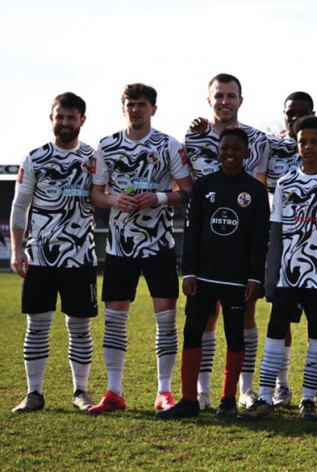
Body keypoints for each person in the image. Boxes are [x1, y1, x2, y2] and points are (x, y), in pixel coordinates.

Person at [89, 83, 193, 414]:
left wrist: (159, 197)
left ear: (153, 109)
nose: (136, 109)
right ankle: (114, 391)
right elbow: (96, 194)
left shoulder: (168, 145)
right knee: (115, 320)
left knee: (166, 319)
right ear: (123, 108)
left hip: (159, 245)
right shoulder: (106, 146)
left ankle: (164, 391)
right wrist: (114, 200)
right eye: (130, 104)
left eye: (142, 104)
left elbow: (188, 192)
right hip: (120, 248)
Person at [239, 116, 317, 421]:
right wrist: (270, 278)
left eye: (315, 141)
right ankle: (264, 396)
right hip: (288, 273)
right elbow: (275, 234)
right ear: (297, 146)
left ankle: (308, 398)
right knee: (276, 331)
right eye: (303, 141)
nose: (309, 146)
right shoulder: (285, 183)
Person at [156, 128, 269, 419]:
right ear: (217, 152)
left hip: (237, 278)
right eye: (224, 148)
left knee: (235, 336)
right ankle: (189, 400)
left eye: (236, 149)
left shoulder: (255, 191)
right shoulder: (204, 185)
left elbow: (260, 238)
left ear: (247, 153)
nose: (229, 153)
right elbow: (191, 233)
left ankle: (228, 400)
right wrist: (188, 271)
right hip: (203, 276)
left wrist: (255, 277)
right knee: (192, 332)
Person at [185, 73, 271, 411]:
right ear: (210, 100)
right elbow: (192, 221)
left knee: (242, 323)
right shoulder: (194, 137)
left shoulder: (259, 141)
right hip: (206, 261)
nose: (225, 101)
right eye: (218, 95)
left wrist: (255, 272)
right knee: (201, 325)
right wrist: (189, 267)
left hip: (239, 263)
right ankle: (200, 393)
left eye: (231, 95)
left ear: (240, 99)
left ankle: (241, 392)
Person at [10, 92, 98, 413]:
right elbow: (20, 206)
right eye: (59, 117)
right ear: (52, 119)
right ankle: (34, 393)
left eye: (70, 117)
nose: (64, 123)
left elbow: (104, 197)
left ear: (81, 121)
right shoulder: (34, 158)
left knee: (79, 327)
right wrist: (18, 249)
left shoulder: (93, 158)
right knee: (37, 325)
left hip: (80, 257)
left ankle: (81, 392)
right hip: (41, 258)